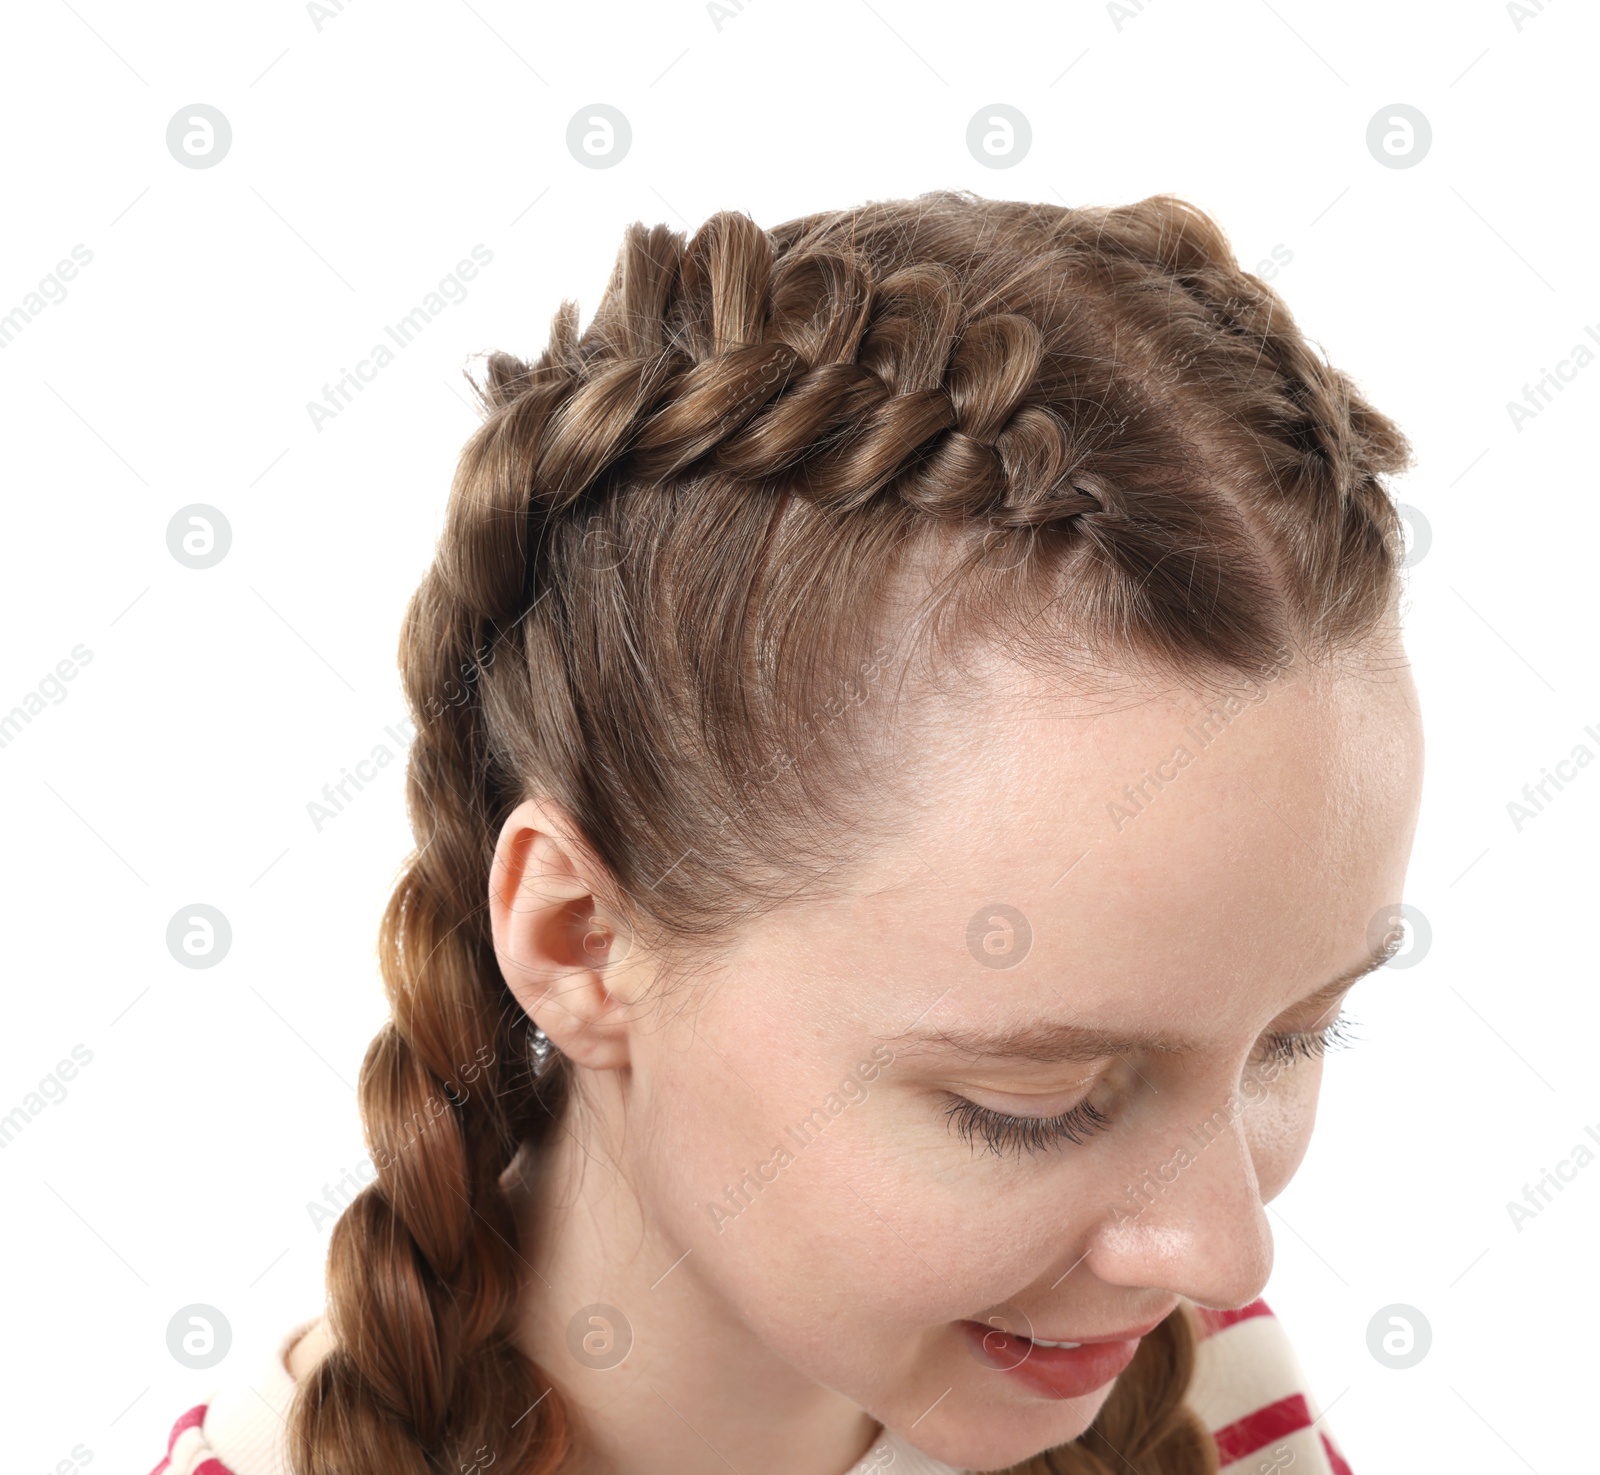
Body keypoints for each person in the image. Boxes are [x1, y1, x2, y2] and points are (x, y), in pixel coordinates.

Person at [148, 189, 1421, 1475]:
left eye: (1296, 1035)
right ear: (585, 940)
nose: (1222, 1250)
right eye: (1029, 1104)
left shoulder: (1221, 1394)